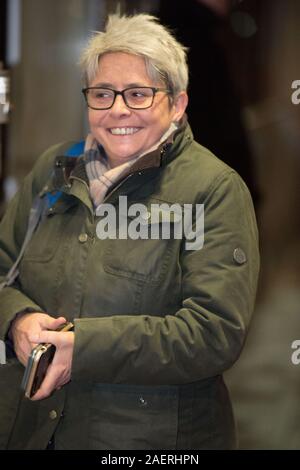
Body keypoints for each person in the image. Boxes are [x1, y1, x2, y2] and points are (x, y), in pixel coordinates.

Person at [0, 13, 259, 450]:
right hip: (32, 431)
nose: (118, 109)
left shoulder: (213, 190)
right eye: (102, 93)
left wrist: (82, 347)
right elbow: (4, 269)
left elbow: (214, 333)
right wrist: (17, 320)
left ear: (177, 104)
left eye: (139, 94)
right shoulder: (53, 170)